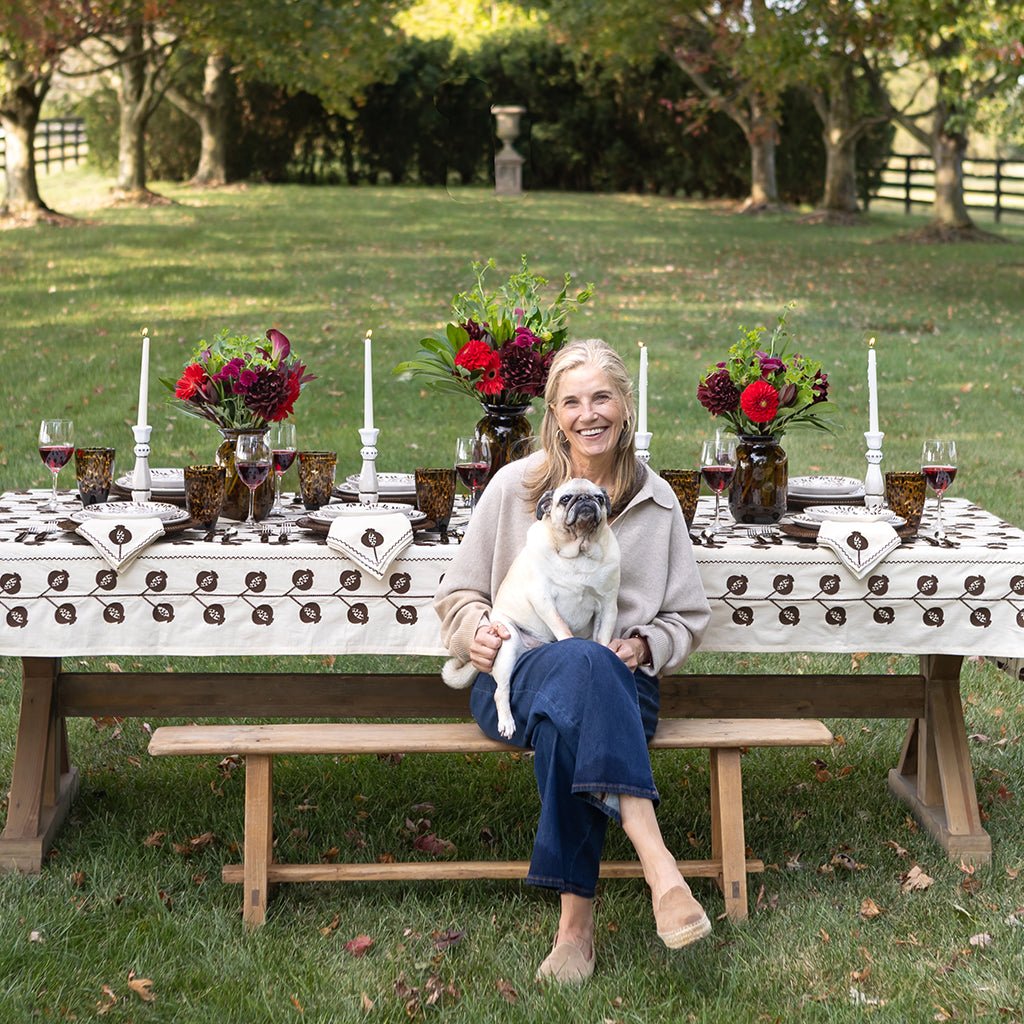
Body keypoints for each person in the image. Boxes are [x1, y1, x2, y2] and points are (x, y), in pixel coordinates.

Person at [434, 338, 712, 984]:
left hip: (620, 684)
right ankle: (657, 862)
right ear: (554, 415)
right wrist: (474, 631)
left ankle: (575, 931)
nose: (589, 414)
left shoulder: (656, 501)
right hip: (516, 675)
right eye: (573, 401)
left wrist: (645, 645)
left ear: (625, 406)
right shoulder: (515, 488)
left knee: (579, 695)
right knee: (576, 668)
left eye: (602, 397)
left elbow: (688, 618)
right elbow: (457, 595)